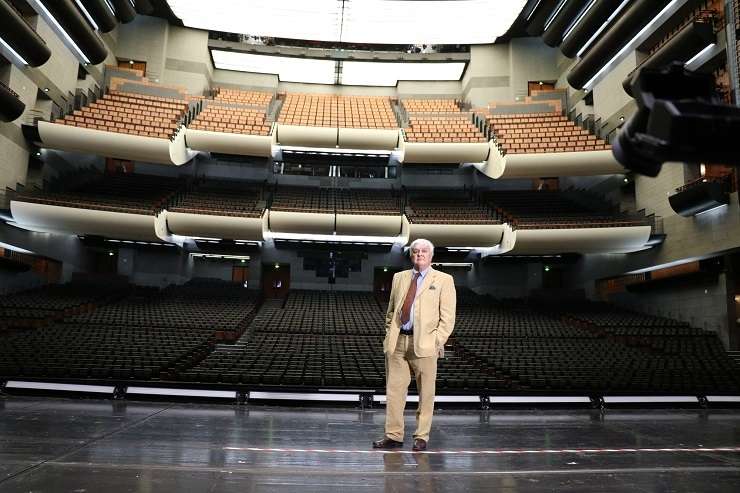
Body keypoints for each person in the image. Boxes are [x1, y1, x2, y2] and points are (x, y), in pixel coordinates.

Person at [372, 238, 456, 451]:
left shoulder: (444, 280)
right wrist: (389, 332)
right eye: (416, 251)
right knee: (394, 392)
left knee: (426, 393)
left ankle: (421, 436)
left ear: (431, 256)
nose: (419, 254)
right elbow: (391, 311)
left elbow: (448, 318)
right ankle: (393, 435)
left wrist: (436, 341)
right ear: (411, 255)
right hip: (398, 341)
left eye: (424, 251)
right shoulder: (399, 277)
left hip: (425, 344)